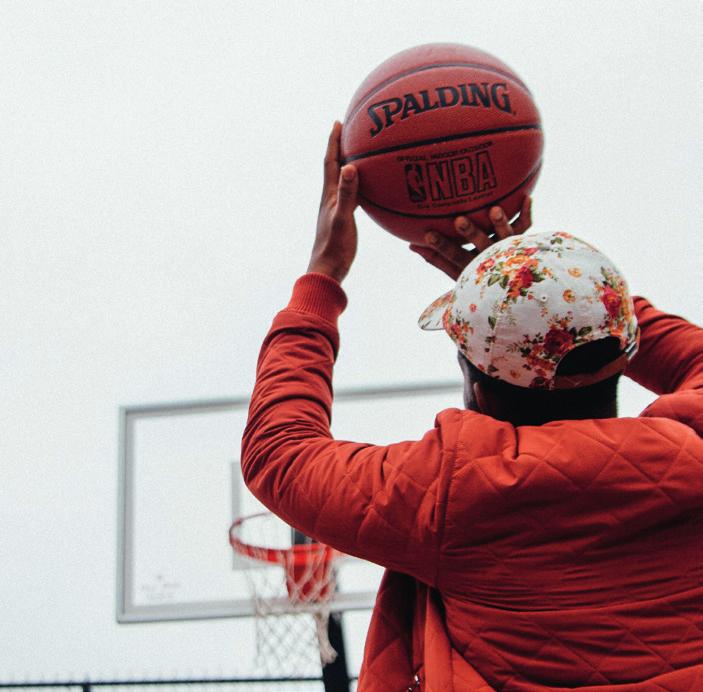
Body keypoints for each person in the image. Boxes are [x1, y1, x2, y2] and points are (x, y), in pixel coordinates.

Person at [241, 122, 703, 690]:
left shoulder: (448, 494)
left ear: (475, 381)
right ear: (625, 342)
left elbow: (280, 452)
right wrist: (543, 283)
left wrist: (323, 275)